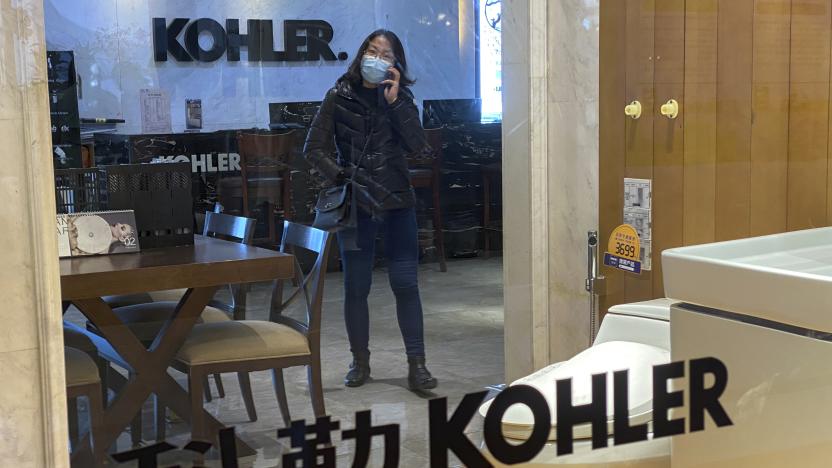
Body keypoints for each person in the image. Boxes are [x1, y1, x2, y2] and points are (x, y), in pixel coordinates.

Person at [304, 29, 438, 391]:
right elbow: (313, 147)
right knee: (356, 287)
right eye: (372, 50)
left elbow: (419, 148)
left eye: (386, 54)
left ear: (395, 65)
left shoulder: (400, 98)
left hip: (398, 204)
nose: (377, 58)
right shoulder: (338, 95)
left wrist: (395, 103)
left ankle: (417, 365)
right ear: (362, 53)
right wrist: (341, 175)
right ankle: (359, 362)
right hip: (357, 207)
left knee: (406, 284)